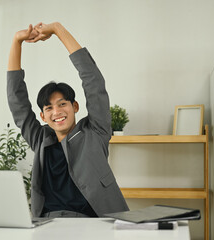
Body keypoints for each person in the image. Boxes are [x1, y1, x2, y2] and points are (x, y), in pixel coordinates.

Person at [7, 22, 129, 218]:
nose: (57, 111)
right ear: (43, 116)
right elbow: (17, 102)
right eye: (49, 108)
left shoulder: (95, 132)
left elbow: (93, 81)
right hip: (48, 222)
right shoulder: (40, 139)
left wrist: (57, 29)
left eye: (62, 104)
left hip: (94, 223)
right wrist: (17, 41)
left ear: (75, 107)